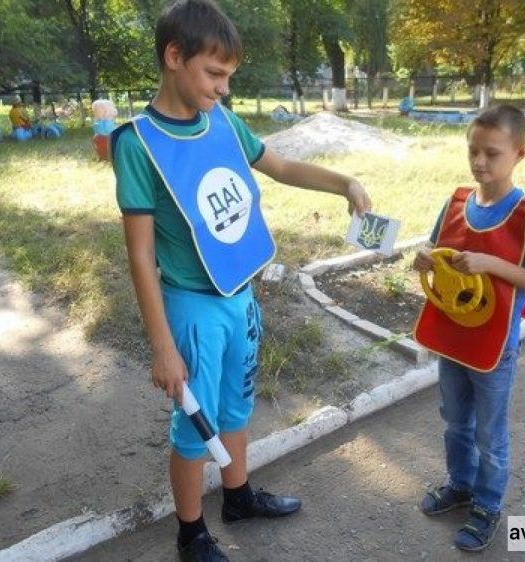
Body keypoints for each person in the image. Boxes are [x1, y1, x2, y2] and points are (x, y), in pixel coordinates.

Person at [111, 1, 371, 560]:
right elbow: (139, 254)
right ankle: (191, 533)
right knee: (192, 429)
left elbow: (279, 167)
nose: (224, 89)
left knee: (235, 408)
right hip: (191, 310)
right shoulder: (136, 144)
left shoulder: (224, 122)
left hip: (239, 298)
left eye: (229, 77)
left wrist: (344, 182)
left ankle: (238, 496)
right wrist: (162, 346)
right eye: (215, 74)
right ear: (174, 57)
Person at [412, 104, 525, 552]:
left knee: (489, 435)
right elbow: (437, 251)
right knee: (455, 423)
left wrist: (493, 263)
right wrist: (423, 257)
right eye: (473, 151)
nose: (479, 162)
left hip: (495, 350)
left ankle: (488, 503)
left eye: (492, 153)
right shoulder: (456, 202)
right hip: (453, 339)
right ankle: (461, 486)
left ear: (520, 154)